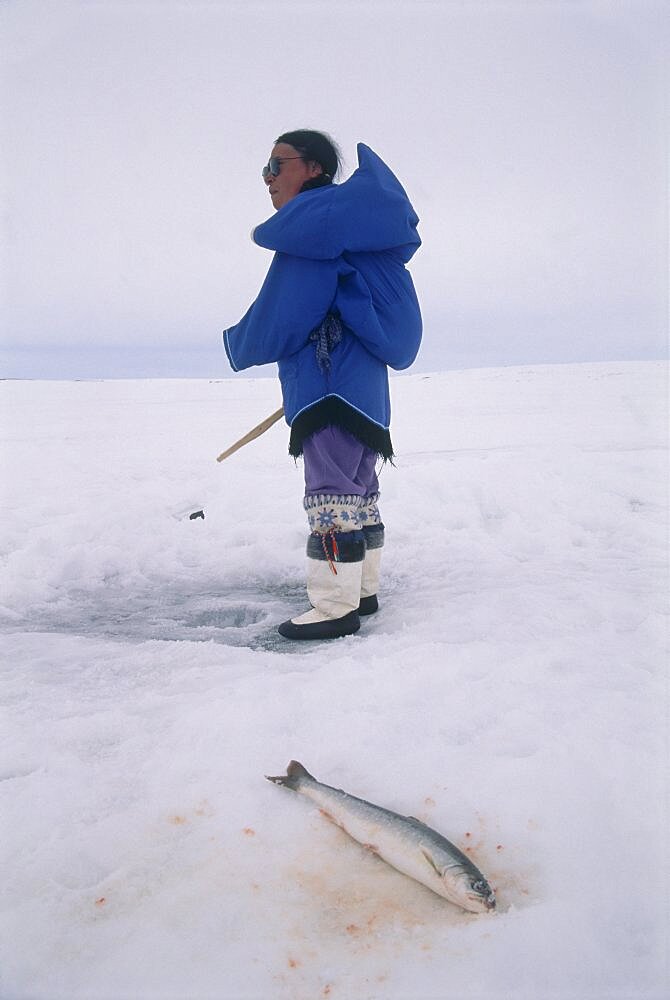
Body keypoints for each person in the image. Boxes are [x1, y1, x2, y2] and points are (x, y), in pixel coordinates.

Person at [223, 130, 422, 640]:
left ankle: (335, 607)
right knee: (359, 489)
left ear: (312, 168)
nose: (267, 177)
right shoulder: (365, 238)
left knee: (331, 493)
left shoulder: (312, 234)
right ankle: (361, 589)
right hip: (366, 394)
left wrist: (238, 344)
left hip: (328, 384)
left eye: (275, 164)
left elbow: (284, 313)